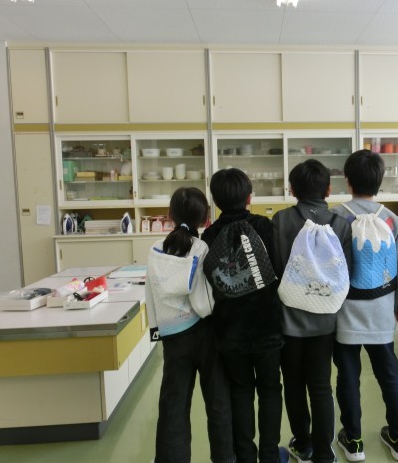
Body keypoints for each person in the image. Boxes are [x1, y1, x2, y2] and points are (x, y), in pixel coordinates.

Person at [201, 168, 288, 463]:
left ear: (215, 201)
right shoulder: (264, 226)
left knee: (240, 391)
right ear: (249, 197)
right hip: (267, 326)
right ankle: (270, 455)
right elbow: (278, 269)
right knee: (270, 389)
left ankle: (245, 456)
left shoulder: (209, 235)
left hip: (229, 330)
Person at [330, 149, 398, 462]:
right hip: (381, 312)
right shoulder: (391, 220)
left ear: (347, 181)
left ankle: (353, 441)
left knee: (348, 377)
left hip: (345, 314)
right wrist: (397, 309)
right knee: (389, 374)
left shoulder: (336, 217)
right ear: (380, 181)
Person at [145, 187, 235, 463]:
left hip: (173, 338)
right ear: (206, 218)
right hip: (205, 334)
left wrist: (156, 330)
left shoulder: (155, 249)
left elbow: (151, 295)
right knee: (218, 403)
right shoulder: (201, 248)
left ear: (169, 215)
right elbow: (204, 301)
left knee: (173, 405)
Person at [272, 159, 352, 463]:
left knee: (293, 384)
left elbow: (276, 268)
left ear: (292, 189)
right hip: (326, 321)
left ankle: (303, 444)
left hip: (289, 320)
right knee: (320, 386)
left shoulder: (281, 220)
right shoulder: (340, 224)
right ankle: (323, 452)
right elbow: (345, 275)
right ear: (328, 189)